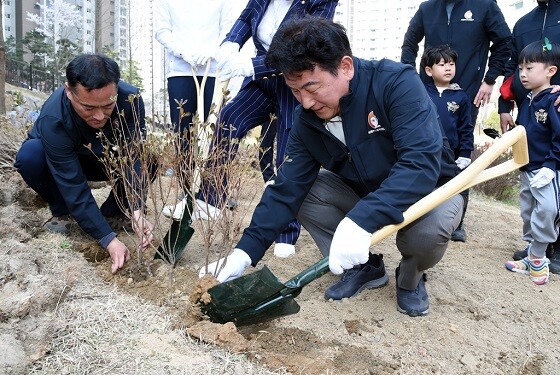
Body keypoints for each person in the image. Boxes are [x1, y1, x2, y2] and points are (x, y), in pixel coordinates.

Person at [199, 17, 465, 317]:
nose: (306, 102)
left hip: (429, 191)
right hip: (365, 191)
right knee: (305, 190)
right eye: (296, 91)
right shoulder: (307, 120)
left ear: (346, 67)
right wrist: (244, 253)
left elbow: (420, 165)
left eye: (312, 87)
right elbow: (287, 188)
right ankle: (363, 268)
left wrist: (360, 220)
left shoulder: (395, 83)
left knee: (426, 235)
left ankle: (411, 278)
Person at [193, 0, 339, 258]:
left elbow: (306, 48)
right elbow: (247, 16)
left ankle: (287, 230)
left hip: (294, 84)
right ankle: (210, 197)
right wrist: (231, 42)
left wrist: (252, 66)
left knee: (284, 154)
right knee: (229, 118)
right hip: (262, 81)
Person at [14, 54, 154, 274]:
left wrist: (136, 209)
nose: (99, 116)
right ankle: (62, 211)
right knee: (30, 156)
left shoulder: (131, 100)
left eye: (108, 106)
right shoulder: (54, 117)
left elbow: (133, 156)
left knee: (150, 156)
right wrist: (108, 240)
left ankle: (113, 213)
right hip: (63, 162)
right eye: (88, 108)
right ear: (69, 91)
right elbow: (72, 182)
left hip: (105, 158)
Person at [400, 0, 511, 242]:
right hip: (427, 95)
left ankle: (455, 219)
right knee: (422, 146)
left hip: (468, 91)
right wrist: (408, 78)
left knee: (460, 148)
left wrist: (490, 79)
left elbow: (504, 42)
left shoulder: (484, 5)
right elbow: (409, 43)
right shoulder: (427, 8)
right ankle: (419, 207)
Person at [497, 0, 560, 274]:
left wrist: (550, 164)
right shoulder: (523, 23)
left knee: (549, 204)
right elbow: (513, 66)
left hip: (552, 140)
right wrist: (504, 104)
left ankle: (545, 252)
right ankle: (536, 250)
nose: (524, 73)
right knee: (529, 206)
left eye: (528, 69)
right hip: (530, 149)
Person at [154, 0, 237, 200]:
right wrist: (183, 51)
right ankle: (188, 188)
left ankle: (217, 189)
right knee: (183, 131)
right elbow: (162, 31)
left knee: (217, 129)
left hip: (214, 70)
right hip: (180, 70)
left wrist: (213, 51)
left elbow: (229, 29)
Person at [421, 45, 473, 242]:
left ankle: (457, 225)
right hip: (427, 150)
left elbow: (466, 128)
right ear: (429, 70)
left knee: (459, 186)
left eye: (451, 64)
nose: (448, 68)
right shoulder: (421, 92)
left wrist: (465, 154)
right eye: (442, 64)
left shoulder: (461, 96)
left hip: (453, 154)